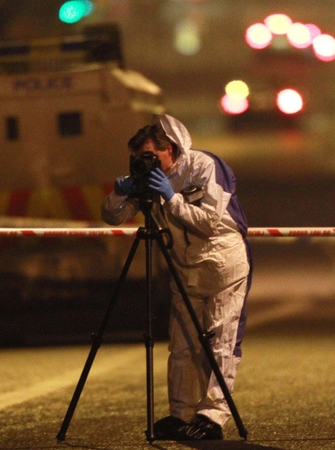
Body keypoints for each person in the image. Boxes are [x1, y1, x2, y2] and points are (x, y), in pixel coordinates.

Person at [101, 114, 251, 440]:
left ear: (169, 148)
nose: (145, 163)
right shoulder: (153, 178)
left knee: (220, 343)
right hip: (185, 272)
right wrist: (120, 193)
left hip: (223, 268)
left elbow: (209, 222)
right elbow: (112, 216)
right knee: (182, 348)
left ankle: (213, 416)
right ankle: (180, 414)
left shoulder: (205, 167)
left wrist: (171, 197)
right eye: (139, 158)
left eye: (150, 156)